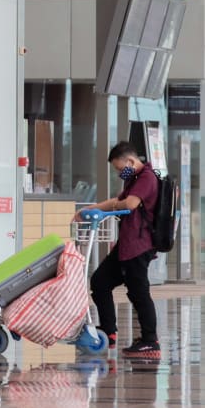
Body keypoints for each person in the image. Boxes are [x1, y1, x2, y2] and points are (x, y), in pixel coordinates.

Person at [72, 141, 160, 359]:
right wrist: (92, 208)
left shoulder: (147, 178)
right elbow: (118, 200)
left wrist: (109, 209)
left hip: (139, 246)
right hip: (127, 245)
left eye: (121, 168)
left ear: (130, 161)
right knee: (100, 282)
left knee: (139, 292)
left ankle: (151, 341)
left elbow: (129, 204)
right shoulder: (135, 178)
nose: (121, 172)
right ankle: (108, 332)